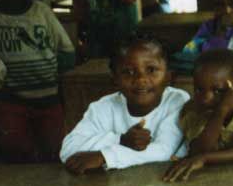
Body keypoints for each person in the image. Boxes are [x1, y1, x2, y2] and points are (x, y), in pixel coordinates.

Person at [59, 34, 189, 173]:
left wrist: (105, 157)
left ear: (169, 76)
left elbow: (163, 151)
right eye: (128, 72)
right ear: (114, 79)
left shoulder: (177, 101)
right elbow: (68, 150)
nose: (140, 79)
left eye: (151, 70)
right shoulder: (103, 107)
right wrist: (120, 140)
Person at [0, 0, 75, 163]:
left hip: (48, 97)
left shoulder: (42, 12)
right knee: (16, 150)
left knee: (55, 149)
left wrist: (58, 80)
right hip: (10, 99)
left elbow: (66, 51)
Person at [164, 49, 233, 182]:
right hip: (206, 175)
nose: (206, 98)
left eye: (218, 91)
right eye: (199, 89)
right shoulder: (194, 108)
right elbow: (200, 150)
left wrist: (205, 158)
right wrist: (221, 112)